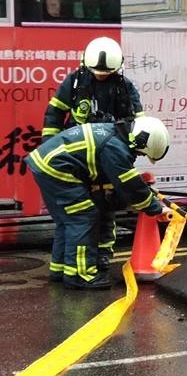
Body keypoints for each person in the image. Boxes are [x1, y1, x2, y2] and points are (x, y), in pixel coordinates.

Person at [26, 116, 171, 289]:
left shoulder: (115, 135)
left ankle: (60, 270)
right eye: (140, 153)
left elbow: (113, 176)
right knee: (83, 217)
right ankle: (79, 276)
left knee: (67, 221)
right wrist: (155, 207)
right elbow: (129, 185)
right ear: (140, 142)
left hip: (45, 165)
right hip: (56, 168)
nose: (138, 156)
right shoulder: (115, 147)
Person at [42, 36, 145, 275]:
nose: (100, 75)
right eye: (96, 71)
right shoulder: (75, 82)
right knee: (79, 216)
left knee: (106, 211)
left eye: (105, 72)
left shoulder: (125, 87)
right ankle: (67, 268)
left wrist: (127, 155)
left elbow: (138, 124)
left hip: (107, 159)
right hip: (78, 160)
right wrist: (50, 145)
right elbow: (54, 115)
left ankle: (101, 258)